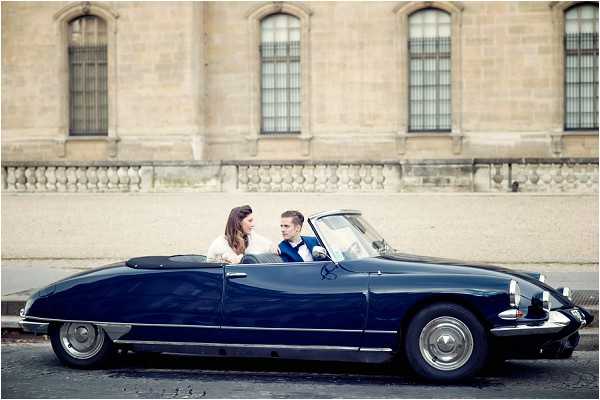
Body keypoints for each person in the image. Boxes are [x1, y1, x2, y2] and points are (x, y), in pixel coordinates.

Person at [207, 205, 278, 263]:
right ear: (239, 222)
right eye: (250, 221)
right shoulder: (220, 244)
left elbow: (266, 244)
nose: (253, 224)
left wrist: (272, 246)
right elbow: (235, 261)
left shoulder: (251, 236)